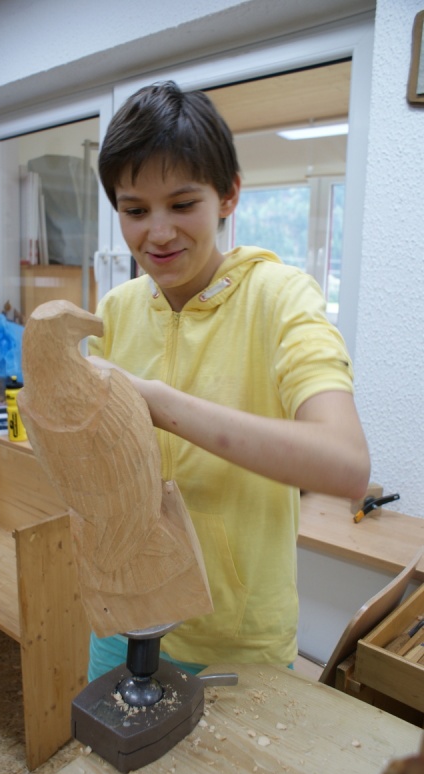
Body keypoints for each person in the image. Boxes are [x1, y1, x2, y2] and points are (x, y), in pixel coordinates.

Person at [86, 80, 370, 682]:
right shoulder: (115, 309)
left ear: (228, 195)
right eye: (135, 211)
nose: (158, 233)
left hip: (235, 633)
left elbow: (345, 464)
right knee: (105, 743)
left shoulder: (280, 299)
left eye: (182, 204)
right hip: (123, 608)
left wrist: (155, 401)